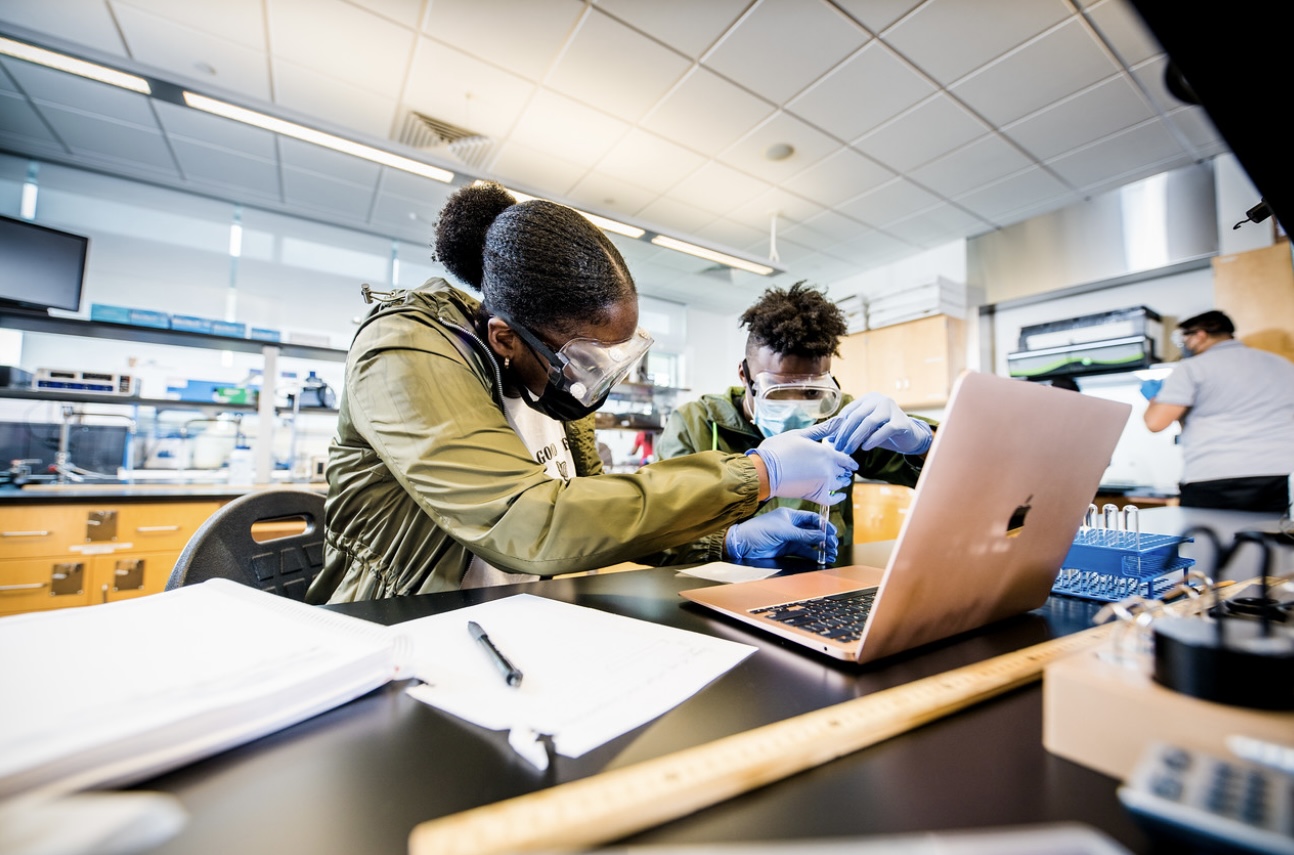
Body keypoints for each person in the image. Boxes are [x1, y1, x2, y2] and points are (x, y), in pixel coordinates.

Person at [308, 183, 859, 602]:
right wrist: (757, 474)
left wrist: (726, 543)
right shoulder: (408, 351)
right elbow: (529, 523)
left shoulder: (550, 379)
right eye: (589, 360)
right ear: (505, 337)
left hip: (519, 615)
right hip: (400, 628)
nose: (594, 383)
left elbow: (594, 514)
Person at [656, 282, 935, 563]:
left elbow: (961, 480)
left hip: (823, 582)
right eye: (776, 393)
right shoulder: (695, 424)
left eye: (812, 392)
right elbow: (654, 534)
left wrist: (924, 444)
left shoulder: (842, 417)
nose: (794, 409)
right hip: (714, 583)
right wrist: (730, 542)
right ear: (745, 375)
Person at [1141, 309, 1294, 513]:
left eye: (1184, 337)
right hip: (1282, 476)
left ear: (1200, 335)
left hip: (1216, 476)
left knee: (1213, 543)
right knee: (1276, 542)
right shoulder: (1282, 364)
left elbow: (1156, 423)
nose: (1183, 343)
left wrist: (1154, 398)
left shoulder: (1192, 368)